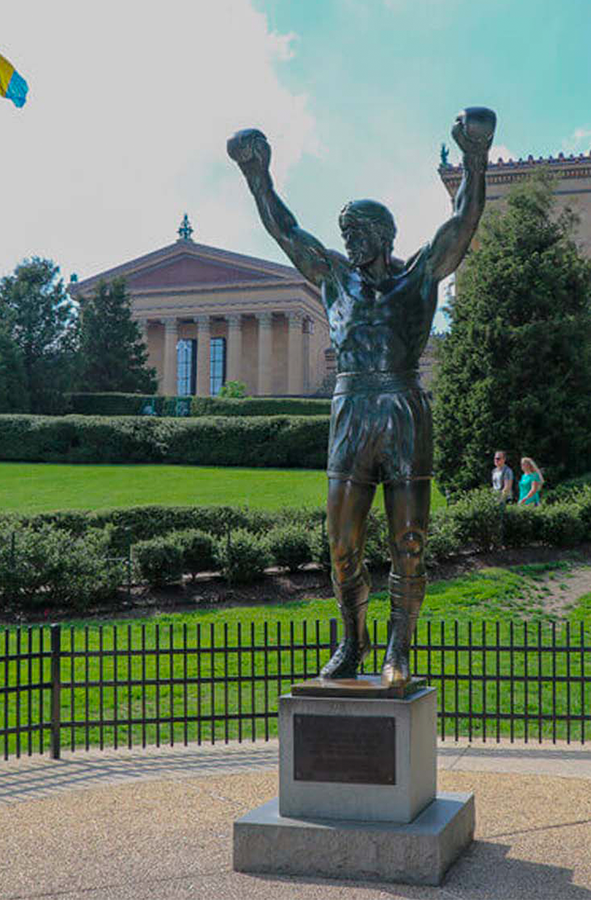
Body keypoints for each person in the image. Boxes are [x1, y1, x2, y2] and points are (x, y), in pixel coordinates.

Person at [230, 105, 495, 687]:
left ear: (383, 236)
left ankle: (399, 649)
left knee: (410, 541)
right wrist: (259, 176)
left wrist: (475, 159)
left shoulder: (420, 277)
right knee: (341, 544)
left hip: (402, 407)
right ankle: (353, 639)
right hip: (350, 410)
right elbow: (286, 230)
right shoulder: (333, 279)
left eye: (357, 233)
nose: (348, 241)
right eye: (345, 233)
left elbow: (463, 223)